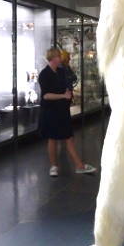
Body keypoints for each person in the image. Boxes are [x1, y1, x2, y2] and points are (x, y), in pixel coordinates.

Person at [38, 48, 96, 177]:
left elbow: (67, 85)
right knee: (53, 139)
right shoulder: (44, 74)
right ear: (53, 58)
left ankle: (78, 165)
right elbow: (46, 96)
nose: (61, 59)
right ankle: (55, 166)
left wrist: (68, 93)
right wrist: (63, 96)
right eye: (59, 56)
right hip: (51, 111)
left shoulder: (61, 71)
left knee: (68, 138)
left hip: (62, 111)